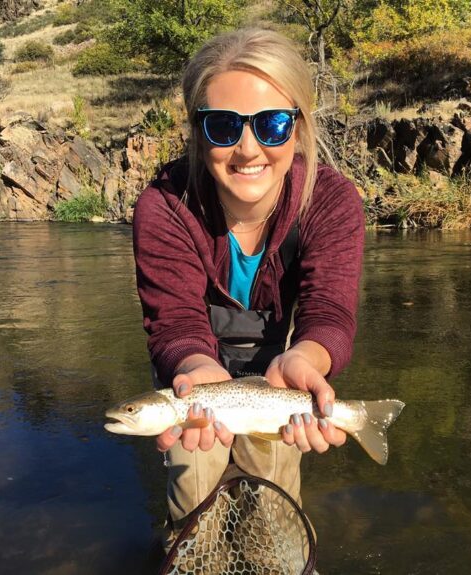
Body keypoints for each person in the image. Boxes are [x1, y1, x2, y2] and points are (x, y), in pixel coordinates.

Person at [132, 27, 365, 547]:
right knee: (193, 495)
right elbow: (173, 325)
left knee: (273, 511)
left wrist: (309, 358)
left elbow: (329, 311)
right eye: (222, 126)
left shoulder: (331, 200)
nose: (247, 148)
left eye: (273, 124)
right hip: (193, 377)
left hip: (279, 373)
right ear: (197, 131)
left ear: (299, 126)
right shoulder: (165, 206)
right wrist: (195, 371)